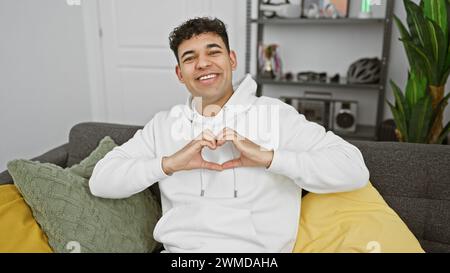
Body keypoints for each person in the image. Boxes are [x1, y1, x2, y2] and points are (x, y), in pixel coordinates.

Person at [89, 17, 370, 253]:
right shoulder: (163, 125)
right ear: (180, 73)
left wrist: (269, 158)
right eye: (190, 58)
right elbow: (101, 181)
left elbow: (354, 168)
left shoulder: (275, 115)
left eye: (213, 52)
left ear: (232, 59)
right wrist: (169, 164)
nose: (202, 63)